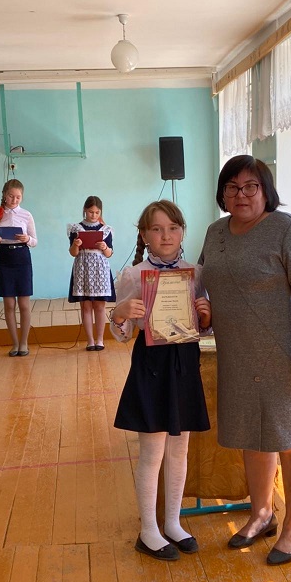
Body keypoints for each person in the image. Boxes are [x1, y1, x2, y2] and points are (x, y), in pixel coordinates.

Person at [199, 155, 291, 566]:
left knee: (289, 438)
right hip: (234, 353)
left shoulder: (287, 230)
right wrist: (203, 311)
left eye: (250, 186)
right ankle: (261, 514)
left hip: (281, 356)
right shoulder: (215, 232)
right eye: (232, 187)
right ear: (222, 193)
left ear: (265, 191)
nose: (241, 194)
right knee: (252, 437)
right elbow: (205, 283)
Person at [110, 200, 211, 561]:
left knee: (180, 448)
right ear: (144, 235)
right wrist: (119, 313)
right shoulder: (132, 275)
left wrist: (205, 317)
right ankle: (148, 530)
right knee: (152, 451)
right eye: (156, 229)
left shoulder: (195, 273)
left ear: (182, 232)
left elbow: (202, 327)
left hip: (185, 362)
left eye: (172, 228)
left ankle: (173, 522)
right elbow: (121, 334)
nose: (165, 235)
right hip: (151, 364)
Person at [0, 178, 37, 357]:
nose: (14, 200)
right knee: (9, 304)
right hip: (4, 257)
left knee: (24, 303)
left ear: (22, 197)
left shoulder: (26, 215)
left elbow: (35, 240)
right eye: (11, 196)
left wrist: (27, 239)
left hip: (22, 256)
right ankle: (14, 343)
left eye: (18, 197)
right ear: (4, 195)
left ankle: (24, 342)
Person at [68, 196, 115, 351]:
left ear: (100, 212)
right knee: (86, 306)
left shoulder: (105, 230)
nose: (93, 215)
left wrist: (104, 247)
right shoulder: (76, 229)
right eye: (90, 212)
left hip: (100, 270)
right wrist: (76, 245)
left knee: (100, 307)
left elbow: (109, 253)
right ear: (85, 210)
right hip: (83, 269)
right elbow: (73, 253)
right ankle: (90, 340)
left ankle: (100, 339)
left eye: (96, 212)